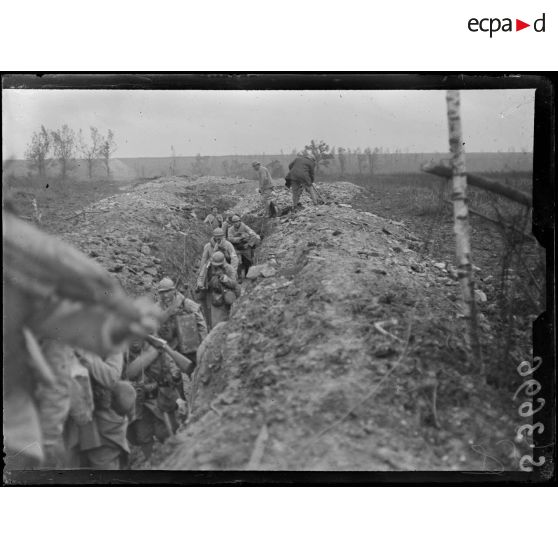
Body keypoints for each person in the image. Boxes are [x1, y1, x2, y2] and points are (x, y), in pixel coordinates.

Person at [3, 209, 160, 469]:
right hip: (78, 421)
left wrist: (90, 349)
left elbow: (110, 375)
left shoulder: (97, 338)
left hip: (97, 420)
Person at [65, 349, 134, 470]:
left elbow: (111, 377)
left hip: (101, 423)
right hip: (68, 418)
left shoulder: (111, 343)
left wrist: (85, 354)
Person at [205, 252, 240, 328]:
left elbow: (234, 284)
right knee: (216, 325)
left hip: (227, 297)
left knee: (228, 322)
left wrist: (225, 279)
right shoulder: (210, 268)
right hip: (216, 298)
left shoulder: (229, 269)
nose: (216, 267)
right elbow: (206, 282)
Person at [226, 214, 261, 280]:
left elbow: (254, 235)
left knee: (248, 261)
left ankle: (247, 275)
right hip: (236, 247)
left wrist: (248, 244)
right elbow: (230, 238)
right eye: (234, 222)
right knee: (237, 262)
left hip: (245, 247)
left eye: (237, 221)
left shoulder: (245, 227)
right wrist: (240, 238)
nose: (235, 223)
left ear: (239, 221)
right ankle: (239, 277)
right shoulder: (230, 229)